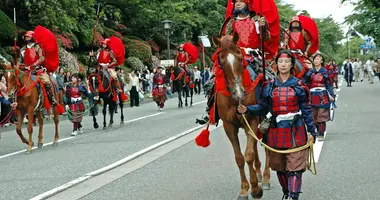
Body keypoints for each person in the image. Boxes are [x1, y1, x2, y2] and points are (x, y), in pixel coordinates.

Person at [237, 49, 316, 200]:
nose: (283, 64)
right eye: (280, 62)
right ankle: (286, 192)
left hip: (295, 129)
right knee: (280, 168)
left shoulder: (300, 85)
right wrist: (247, 109)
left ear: (292, 64)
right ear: (276, 64)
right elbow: (262, 107)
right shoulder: (269, 86)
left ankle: (293, 196)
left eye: (287, 61)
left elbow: (306, 109)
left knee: (295, 168)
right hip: (275, 130)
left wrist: (312, 130)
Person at [196, 0, 270, 124]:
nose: (238, 4)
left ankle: (265, 110)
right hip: (234, 53)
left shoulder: (257, 20)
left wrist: (263, 27)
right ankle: (211, 111)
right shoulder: (231, 23)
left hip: (252, 55)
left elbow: (266, 38)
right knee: (213, 80)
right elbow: (225, 40)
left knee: (267, 78)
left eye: (241, 1)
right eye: (236, 2)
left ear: (247, 4)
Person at [18, 31, 57, 106]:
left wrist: (33, 65)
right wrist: (18, 65)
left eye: (28, 37)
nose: (27, 39)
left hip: (38, 70)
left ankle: (51, 98)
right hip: (26, 71)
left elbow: (41, 58)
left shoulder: (38, 47)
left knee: (47, 82)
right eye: (26, 37)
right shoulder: (22, 49)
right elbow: (20, 60)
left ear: (32, 37)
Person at [303, 53, 335, 141]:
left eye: (318, 59)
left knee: (322, 115)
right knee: (313, 114)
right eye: (315, 59)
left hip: (322, 95)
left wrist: (332, 95)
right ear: (313, 61)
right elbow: (304, 83)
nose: (316, 60)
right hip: (312, 95)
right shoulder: (310, 72)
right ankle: (315, 131)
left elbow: (329, 85)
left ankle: (321, 133)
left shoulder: (325, 72)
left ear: (321, 61)